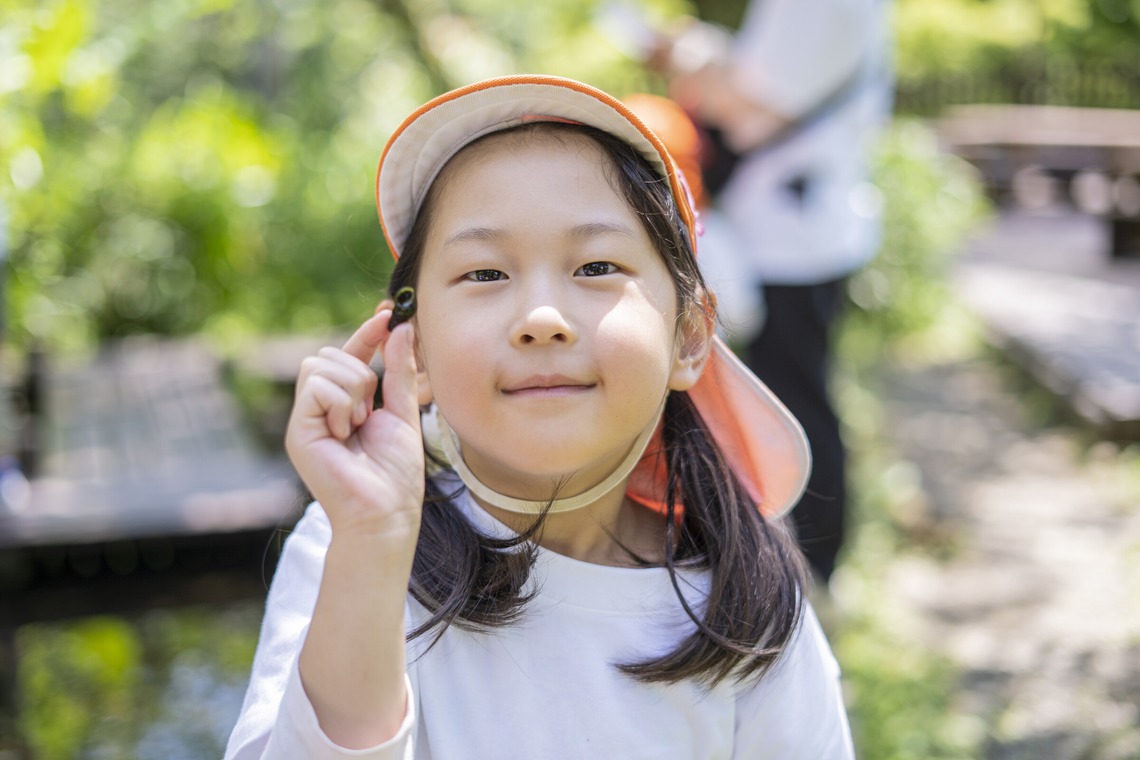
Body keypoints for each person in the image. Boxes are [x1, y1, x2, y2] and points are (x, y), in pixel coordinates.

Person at [225, 75, 854, 759]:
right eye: (485, 275)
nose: (542, 320)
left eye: (596, 265)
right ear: (415, 349)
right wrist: (373, 544)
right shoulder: (348, 548)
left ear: (689, 337)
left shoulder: (747, 600)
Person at [651, 0, 894, 582]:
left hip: (792, 231)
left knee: (790, 403)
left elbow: (749, 103)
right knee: (785, 395)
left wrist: (688, 57)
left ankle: (807, 568)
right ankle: (787, 561)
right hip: (795, 223)